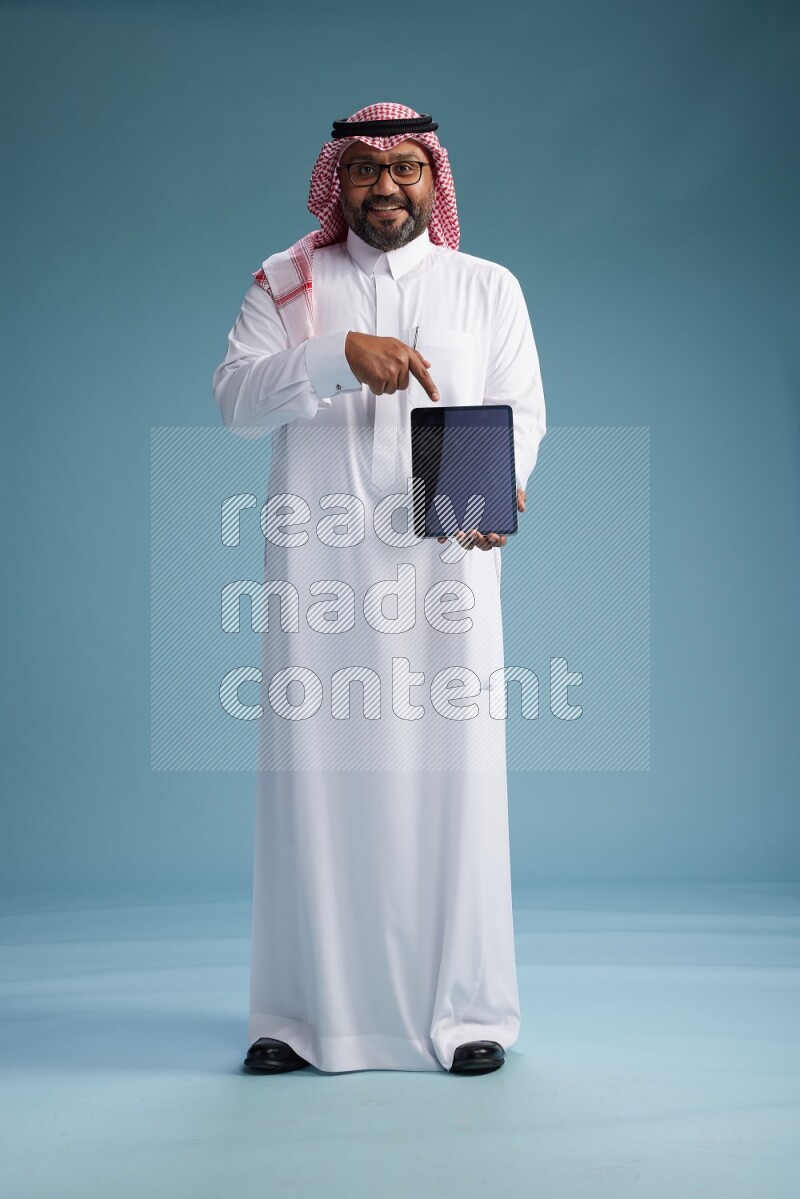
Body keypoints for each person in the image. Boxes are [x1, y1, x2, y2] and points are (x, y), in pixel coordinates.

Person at [212, 102, 547, 1076]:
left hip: (444, 572)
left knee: (454, 782)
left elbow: (519, 409)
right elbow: (235, 402)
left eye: (406, 167)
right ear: (338, 181)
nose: (386, 185)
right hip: (319, 576)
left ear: (433, 180)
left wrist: (497, 486)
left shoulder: (485, 286)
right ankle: (297, 1016)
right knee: (315, 784)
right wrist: (333, 355)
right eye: (364, 168)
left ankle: (468, 1009)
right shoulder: (287, 282)